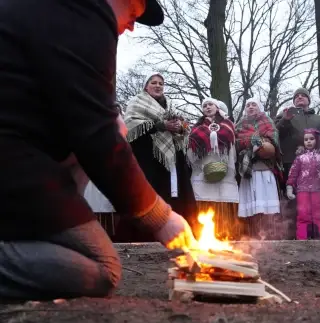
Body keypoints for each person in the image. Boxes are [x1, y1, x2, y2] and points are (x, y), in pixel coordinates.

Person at [0, 0, 197, 301]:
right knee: (102, 268)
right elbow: (96, 135)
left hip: (25, 151)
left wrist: (107, 120)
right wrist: (160, 218)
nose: (131, 25)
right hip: (14, 158)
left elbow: (80, 116)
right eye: (133, 13)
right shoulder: (84, 13)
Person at [120, 72, 198, 240]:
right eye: (153, 82)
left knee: (176, 196)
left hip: (172, 160)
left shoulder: (171, 105)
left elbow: (184, 126)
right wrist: (160, 125)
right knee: (152, 194)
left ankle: (179, 234)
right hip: (148, 159)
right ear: (146, 86)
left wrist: (180, 126)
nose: (158, 86)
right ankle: (147, 237)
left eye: (161, 83)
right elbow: (131, 128)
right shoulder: (136, 102)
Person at [187, 97, 241, 240]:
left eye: (210, 104)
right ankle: (203, 237)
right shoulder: (197, 126)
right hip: (204, 167)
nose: (207, 107)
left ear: (217, 107)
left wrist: (214, 136)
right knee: (204, 201)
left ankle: (225, 235)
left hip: (224, 167)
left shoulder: (227, 123)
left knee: (225, 198)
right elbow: (191, 143)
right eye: (204, 105)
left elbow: (229, 136)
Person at [275, 88, 320, 238]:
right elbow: (274, 133)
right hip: (290, 162)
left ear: (309, 100)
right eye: (297, 96)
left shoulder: (318, 119)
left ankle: (316, 233)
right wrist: (285, 119)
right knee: (292, 199)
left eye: (303, 96)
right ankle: (292, 233)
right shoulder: (285, 115)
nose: (300, 98)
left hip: (315, 164)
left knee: (315, 198)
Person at [235, 98, 283, 239]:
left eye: (253, 104)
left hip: (264, 169)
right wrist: (251, 142)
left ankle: (270, 236)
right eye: (247, 105)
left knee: (266, 206)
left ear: (259, 107)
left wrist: (262, 143)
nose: (250, 107)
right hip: (248, 170)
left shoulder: (268, 122)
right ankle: (252, 236)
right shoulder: (240, 124)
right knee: (252, 207)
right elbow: (237, 142)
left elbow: (273, 138)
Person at [286, 129, 320, 240]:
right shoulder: (300, 158)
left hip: (318, 190)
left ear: (317, 140)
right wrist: (290, 188)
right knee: (303, 215)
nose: (308, 142)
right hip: (302, 191)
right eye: (306, 139)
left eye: (311, 139)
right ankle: (302, 239)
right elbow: (293, 173)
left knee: (319, 216)